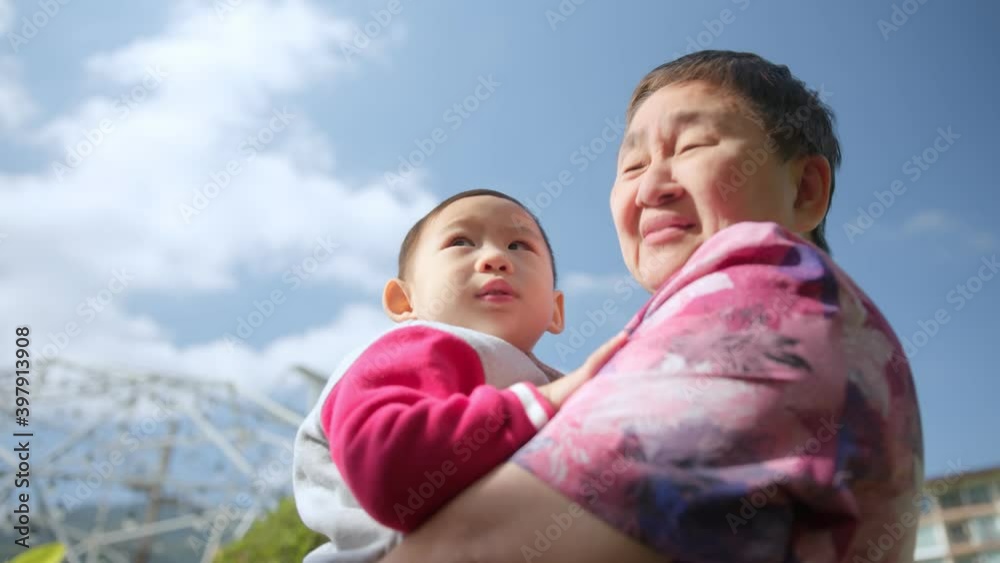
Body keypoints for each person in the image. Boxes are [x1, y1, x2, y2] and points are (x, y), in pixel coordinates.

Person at [377, 50, 924, 563]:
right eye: (632, 166)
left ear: (805, 189)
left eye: (691, 147)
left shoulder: (772, 295)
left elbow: (471, 548)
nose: (650, 188)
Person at [292, 188, 625, 563]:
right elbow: (391, 469)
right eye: (461, 241)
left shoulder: (538, 377)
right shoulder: (410, 348)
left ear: (555, 310)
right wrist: (543, 403)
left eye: (519, 246)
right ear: (405, 301)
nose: (496, 258)